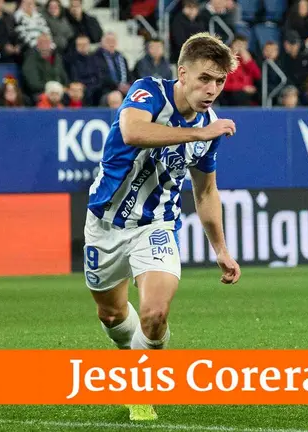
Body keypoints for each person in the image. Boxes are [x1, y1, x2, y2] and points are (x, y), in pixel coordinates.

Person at [82, 32, 242, 421]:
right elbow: (133, 132)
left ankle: (140, 389)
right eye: (204, 78)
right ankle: (131, 354)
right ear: (182, 73)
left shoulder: (209, 129)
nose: (211, 89)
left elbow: (206, 193)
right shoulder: (148, 90)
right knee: (112, 316)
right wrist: (199, 133)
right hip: (105, 225)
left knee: (154, 313)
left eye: (219, 81)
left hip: (156, 225)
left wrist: (220, 249)